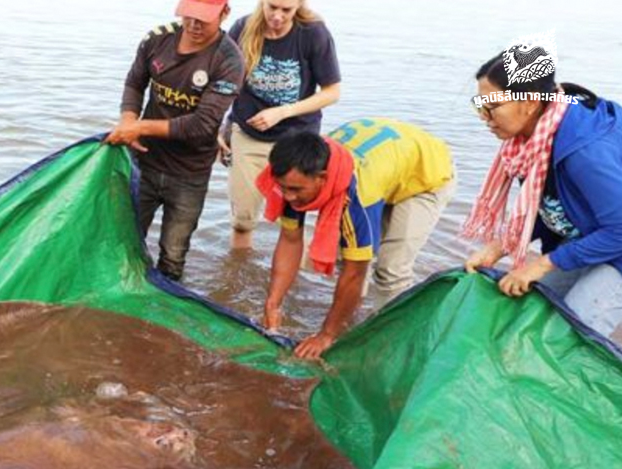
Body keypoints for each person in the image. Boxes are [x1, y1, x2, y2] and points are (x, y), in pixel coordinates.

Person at [259, 120, 456, 358]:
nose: (288, 196)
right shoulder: (293, 179)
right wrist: (273, 303)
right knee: (349, 256)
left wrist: (326, 335)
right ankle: (352, 319)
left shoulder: (357, 195)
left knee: (390, 270)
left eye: (296, 190)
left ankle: (386, 345)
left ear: (322, 178)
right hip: (389, 162)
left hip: (425, 176)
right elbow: (290, 241)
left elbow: (355, 271)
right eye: (284, 188)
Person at [463, 51, 622, 340]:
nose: (485, 117)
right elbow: (552, 203)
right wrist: (500, 246)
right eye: (480, 105)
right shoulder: (533, 138)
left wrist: (541, 264)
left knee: (564, 338)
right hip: (595, 233)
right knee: (530, 316)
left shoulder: (585, 152)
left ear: (530, 102)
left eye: (492, 106)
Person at [105, 0, 244, 282]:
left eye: (202, 19)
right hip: (143, 163)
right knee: (122, 239)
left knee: (173, 252)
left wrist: (141, 126)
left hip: (189, 173)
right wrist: (128, 120)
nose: (193, 25)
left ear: (225, 13)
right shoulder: (157, 39)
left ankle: (163, 303)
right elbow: (135, 83)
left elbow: (201, 125)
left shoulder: (229, 60)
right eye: (188, 16)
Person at [219, 0, 341, 250]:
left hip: (295, 139)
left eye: (286, 10)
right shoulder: (242, 28)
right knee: (242, 221)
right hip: (248, 134)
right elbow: (225, 82)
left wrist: (283, 112)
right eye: (272, 7)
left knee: (291, 223)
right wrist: (224, 126)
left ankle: (290, 282)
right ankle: (236, 278)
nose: (277, 16)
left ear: (298, 7)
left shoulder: (312, 33)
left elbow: (332, 92)